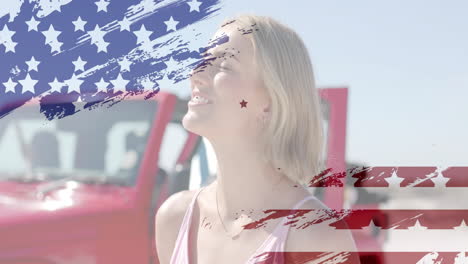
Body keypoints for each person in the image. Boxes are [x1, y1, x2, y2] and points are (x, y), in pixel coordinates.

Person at [155, 14, 359, 264]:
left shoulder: (316, 237)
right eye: (204, 60)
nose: (196, 74)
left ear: (271, 101)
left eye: (225, 65)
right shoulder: (175, 218)